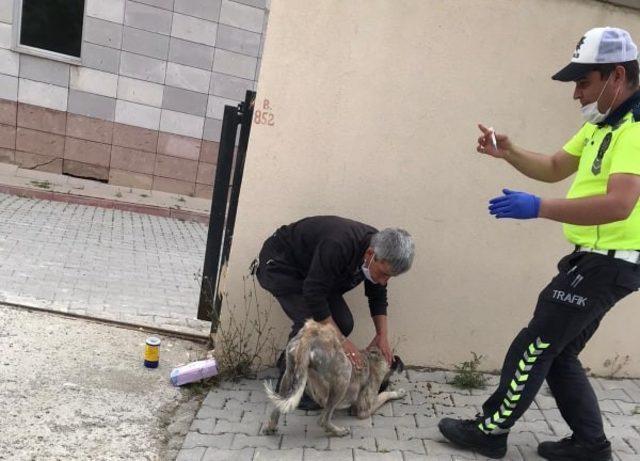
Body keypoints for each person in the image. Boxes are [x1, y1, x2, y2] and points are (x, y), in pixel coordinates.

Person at [438, 27, 640, 461]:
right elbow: (552, 166)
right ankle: (591, 445)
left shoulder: (637, 129)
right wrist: (508, 151)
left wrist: (540, 208)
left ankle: (491, 431)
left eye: (583, 82)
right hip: (595, 260)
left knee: (535, 342)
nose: (576, 94)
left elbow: (621, 204)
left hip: (609, 262)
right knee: (560, 353)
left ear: (617, 75)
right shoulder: (604, 125)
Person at [254, 215, 414, 409]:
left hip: (315, 277)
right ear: (370, 254)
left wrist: (382, 335)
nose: (384, 280)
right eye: (384, 273)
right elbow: (314, 295)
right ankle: (289, 386)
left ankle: (291, 362)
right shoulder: (338, 244)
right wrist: (344, 343)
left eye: (391, 277)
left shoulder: (378, 251)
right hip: (283, 266)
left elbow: (377, 295)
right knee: (313, 324)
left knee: (343, 323)